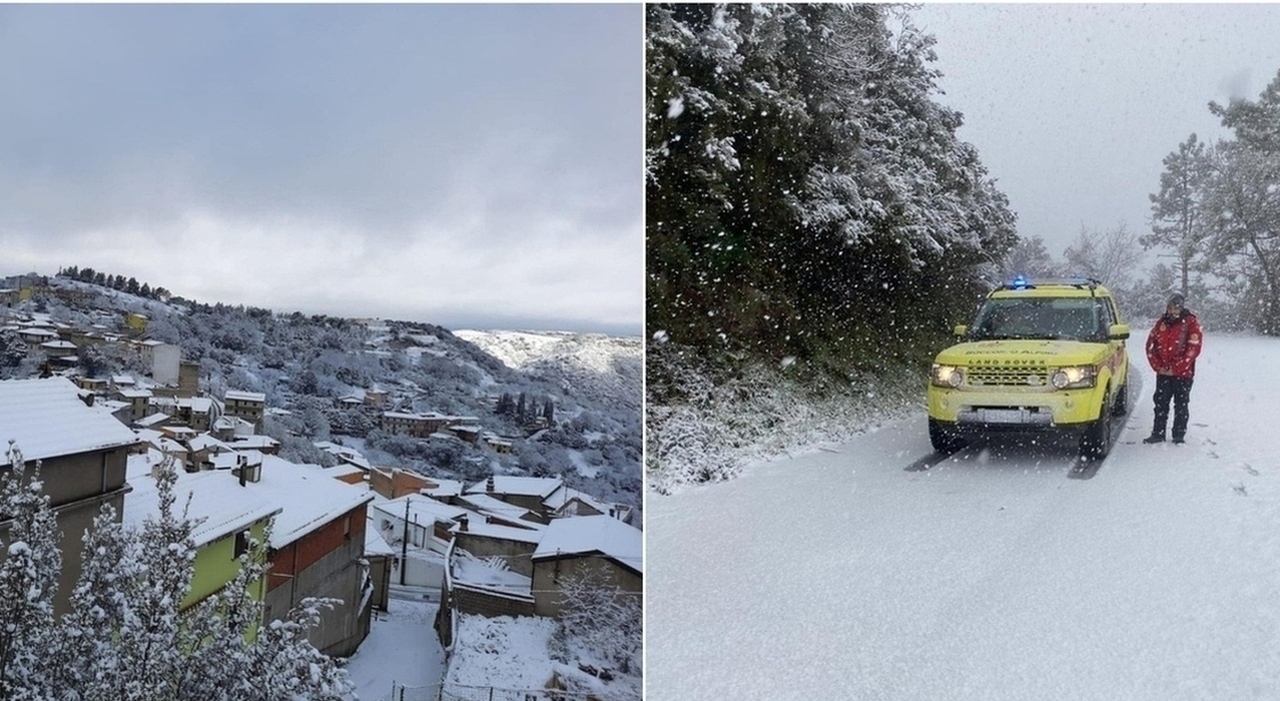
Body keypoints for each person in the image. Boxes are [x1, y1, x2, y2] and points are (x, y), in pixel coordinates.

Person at [1143, 292, 1203, 444]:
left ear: (1182, 308)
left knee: (1181, 405)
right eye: (1170, 308)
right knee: (1160, 404)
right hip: (1163, 373)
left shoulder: (1190, 323)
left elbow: (1193, 349)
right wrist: (1158, 367)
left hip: (1183, 374)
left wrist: (1176, 369)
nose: (1173, 311)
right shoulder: (1160, 323)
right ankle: (1158, 433)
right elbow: (1150, 346)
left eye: (1176, 308)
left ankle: (1178, 435)